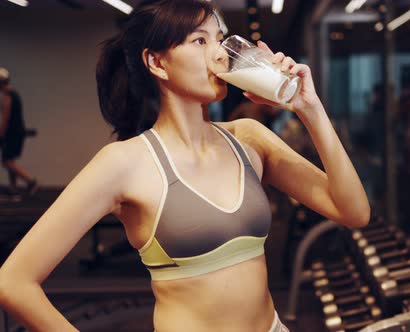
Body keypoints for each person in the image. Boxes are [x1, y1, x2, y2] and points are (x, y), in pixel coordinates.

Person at [0, 1, 371, 331]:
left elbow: (352, 211)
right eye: (200, 41)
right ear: (157, 62)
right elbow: (13, 282)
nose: (220, 54)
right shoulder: (125, 163)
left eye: (221, 38)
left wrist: (310, 108)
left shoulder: (249, 137)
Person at [0, 67, 38, 197]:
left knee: (6, 162)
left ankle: (30, 182)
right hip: (16, 133)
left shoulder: (7, 96)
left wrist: (1, 135)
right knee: (9, 159)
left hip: (12, 134)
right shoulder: (13, 93)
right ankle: (13, 187)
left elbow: (6, 118)